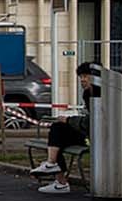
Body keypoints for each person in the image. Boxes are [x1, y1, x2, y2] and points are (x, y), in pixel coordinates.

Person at [33, 61, 104, 194]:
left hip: (98, 135)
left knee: (59, 132)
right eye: (81, 77)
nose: (82, 80)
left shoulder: (103, 95)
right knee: (58, 131)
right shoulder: (87, 94)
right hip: (90, 133)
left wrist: (69, 120)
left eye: (85, 76)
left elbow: (93, 121)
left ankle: (58, 176)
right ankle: (53, 166)